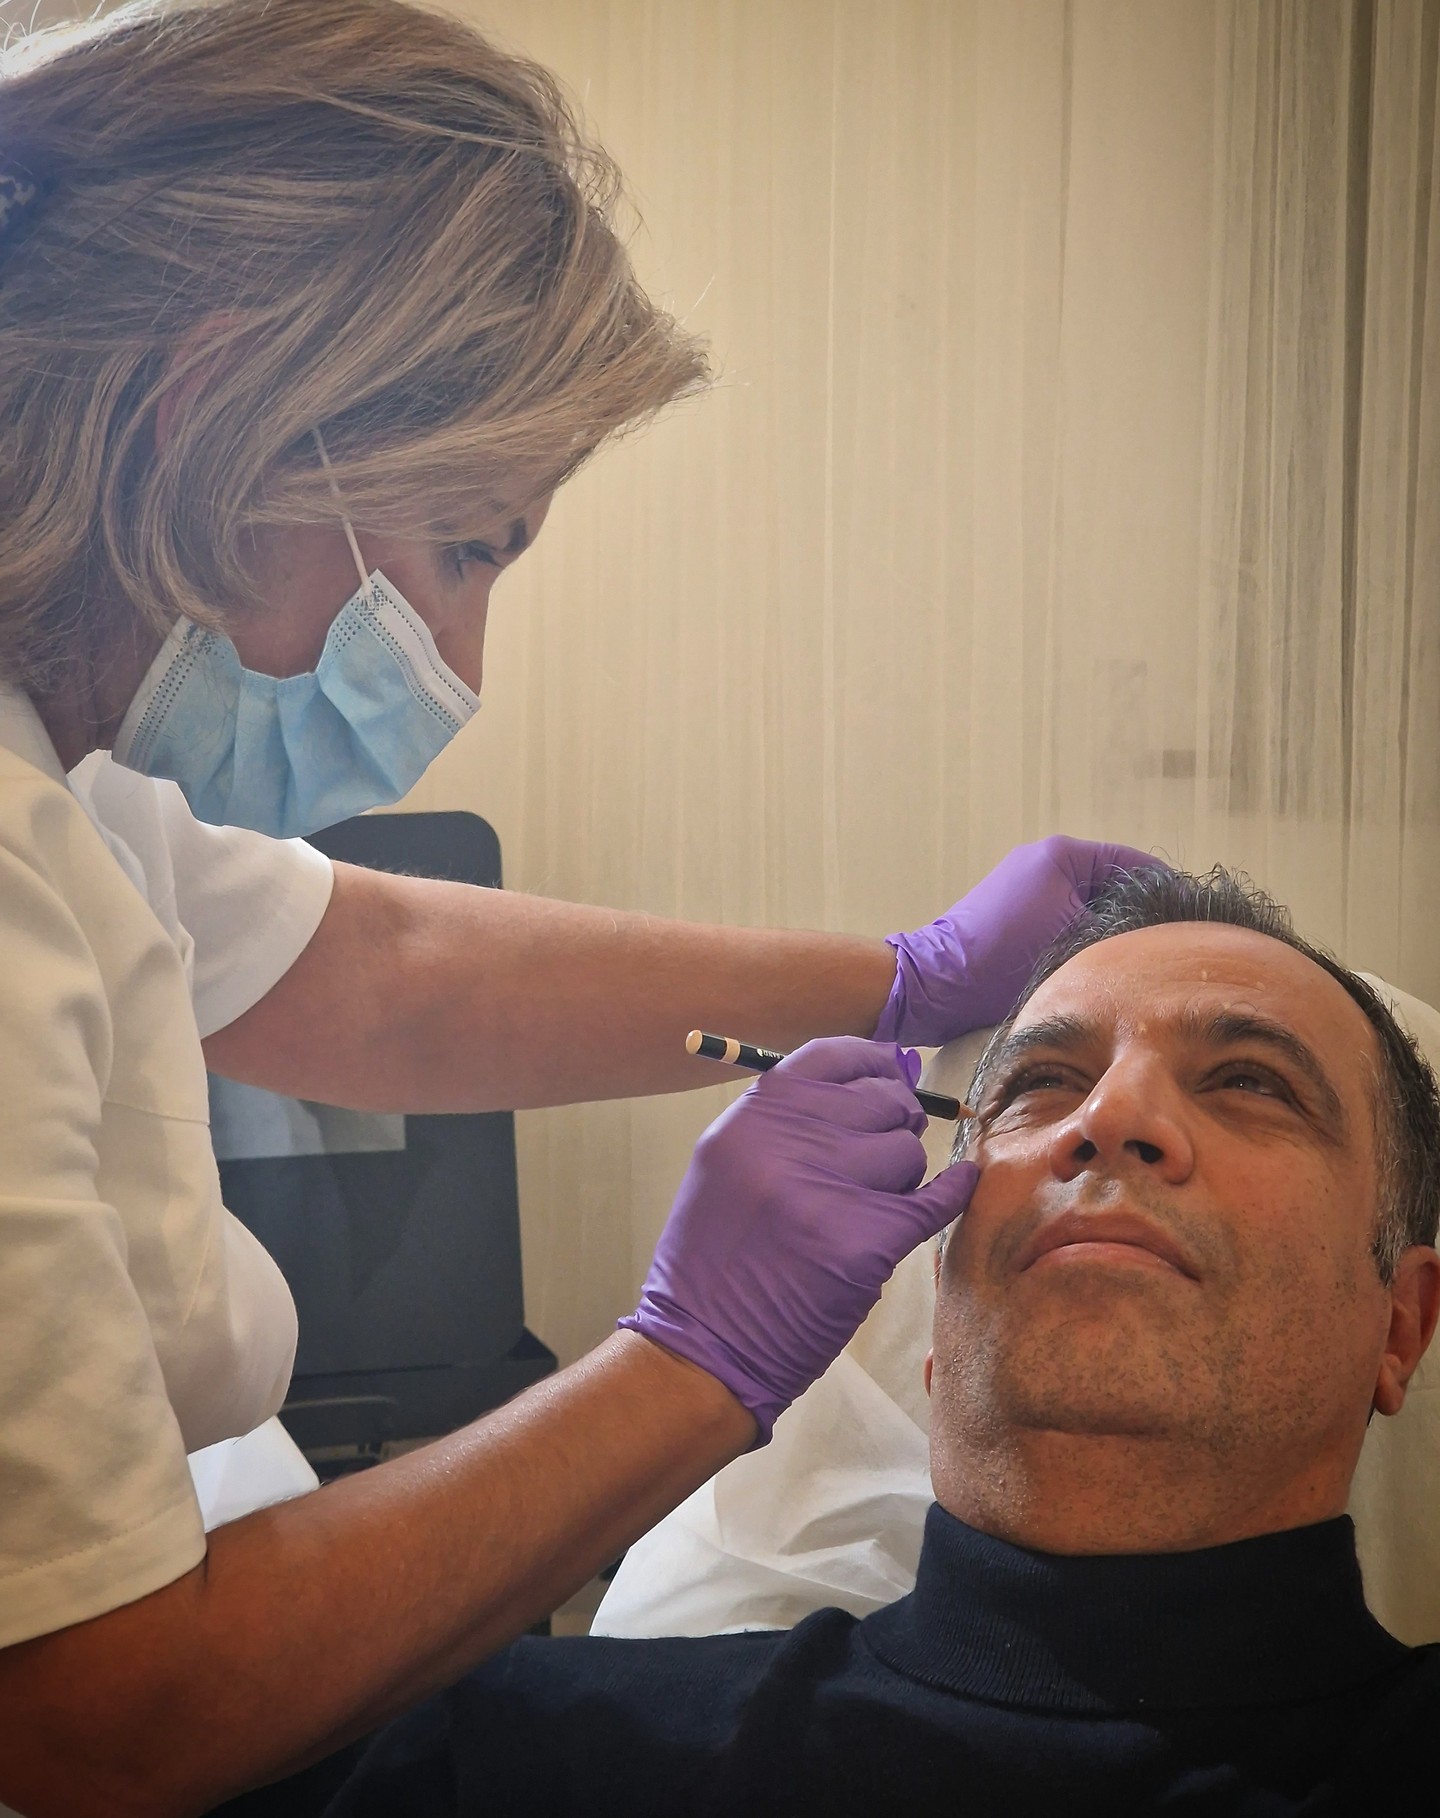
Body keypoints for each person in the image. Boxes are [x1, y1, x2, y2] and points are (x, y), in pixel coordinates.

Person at [0, 3, 1157, 1814]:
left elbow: (380, 973)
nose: (462, 664)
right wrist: (689, 1364)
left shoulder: (67, 780)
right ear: (209, 418)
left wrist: (913, 978)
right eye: (466, 544)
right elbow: (92, 1709)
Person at [258, 866, 1440, 1817]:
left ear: (1402, 1323)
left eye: (1250, 1083)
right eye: (1042, 1082)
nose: (1111, 1115)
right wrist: (677, 1368)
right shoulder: (529, 1759)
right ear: (935, 1312)